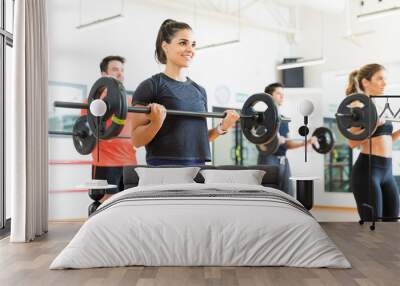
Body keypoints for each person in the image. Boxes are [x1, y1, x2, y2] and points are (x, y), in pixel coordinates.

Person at [131, 19, 240, 165]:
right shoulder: (150, 86)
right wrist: (156, 122)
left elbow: (198, 139)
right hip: (164, 169)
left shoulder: (199, 91)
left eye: (193, 44)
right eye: (183, 43)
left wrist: (222, 128)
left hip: (198, 169)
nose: (190, 49)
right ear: (165, 46)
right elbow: (136, 140)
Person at [345, 63, 399, 221]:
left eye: (385, 79)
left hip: (387, 171)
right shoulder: (357, 106)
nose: (385, 83)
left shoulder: (380, 105)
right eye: (380, 78)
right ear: (365, 82)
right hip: (368, 171)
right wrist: (374, 124)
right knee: (372, 225)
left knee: (392, 223)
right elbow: (352, 143)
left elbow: (386, 139)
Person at [82, 55, 137, 201]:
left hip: (130, 163)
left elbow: (140, 130)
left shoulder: (131, 102)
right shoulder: (91, 103)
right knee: (105, 204)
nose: (120, 74)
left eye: (122, 70)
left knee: (129, 203)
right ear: (104, 74)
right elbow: (88, 131)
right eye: (115, 70)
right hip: (105, 163)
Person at [257, 83, 316, 196]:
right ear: (269, 96)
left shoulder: (283, 119)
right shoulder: (262, 118)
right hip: (269, 159)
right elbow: (261, 145)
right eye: (278, 93)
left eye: (283, 94)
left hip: (283, 160)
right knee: (269, 194)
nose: (282, 97)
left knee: (287, 194)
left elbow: (288, 144)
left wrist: (306, 142)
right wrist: (274, 141)